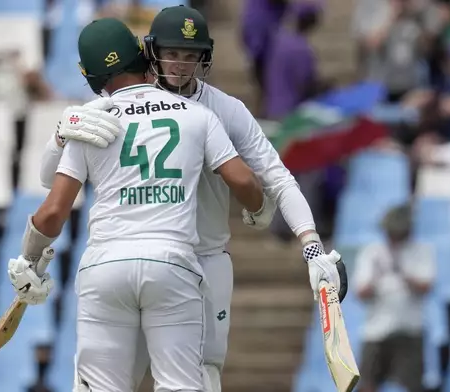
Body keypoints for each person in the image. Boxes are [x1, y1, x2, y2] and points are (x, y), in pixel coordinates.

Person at [39, 6, 349, 392]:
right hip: (149, 252)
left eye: (191, 56)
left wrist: (311, 244)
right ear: (151, 52)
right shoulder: (117, 106)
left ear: (205, 58)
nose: (181, 66)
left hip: (204, 258)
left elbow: (278, 178)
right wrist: (59, 135)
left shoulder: (225, 109)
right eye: (172, 53)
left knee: (201, 375)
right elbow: (50, 180)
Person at [8, 17, 265, 392]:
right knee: (180, 385)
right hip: (172, 264)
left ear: (90, 75)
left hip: (105, 267)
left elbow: (52, 210)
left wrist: (29, 261)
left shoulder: (90, 123)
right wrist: (259, 208)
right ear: (144, 56)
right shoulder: (197, 114)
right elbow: (242, 180)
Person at [354, 204, 434, 392]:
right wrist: (377, 278)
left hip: (410, 329)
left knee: (413, 385)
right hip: (376, 330)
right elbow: (361, 292)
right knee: (368, 384)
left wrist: (403, 273)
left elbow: (426, 287)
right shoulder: (372, 253)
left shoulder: (421, 251)